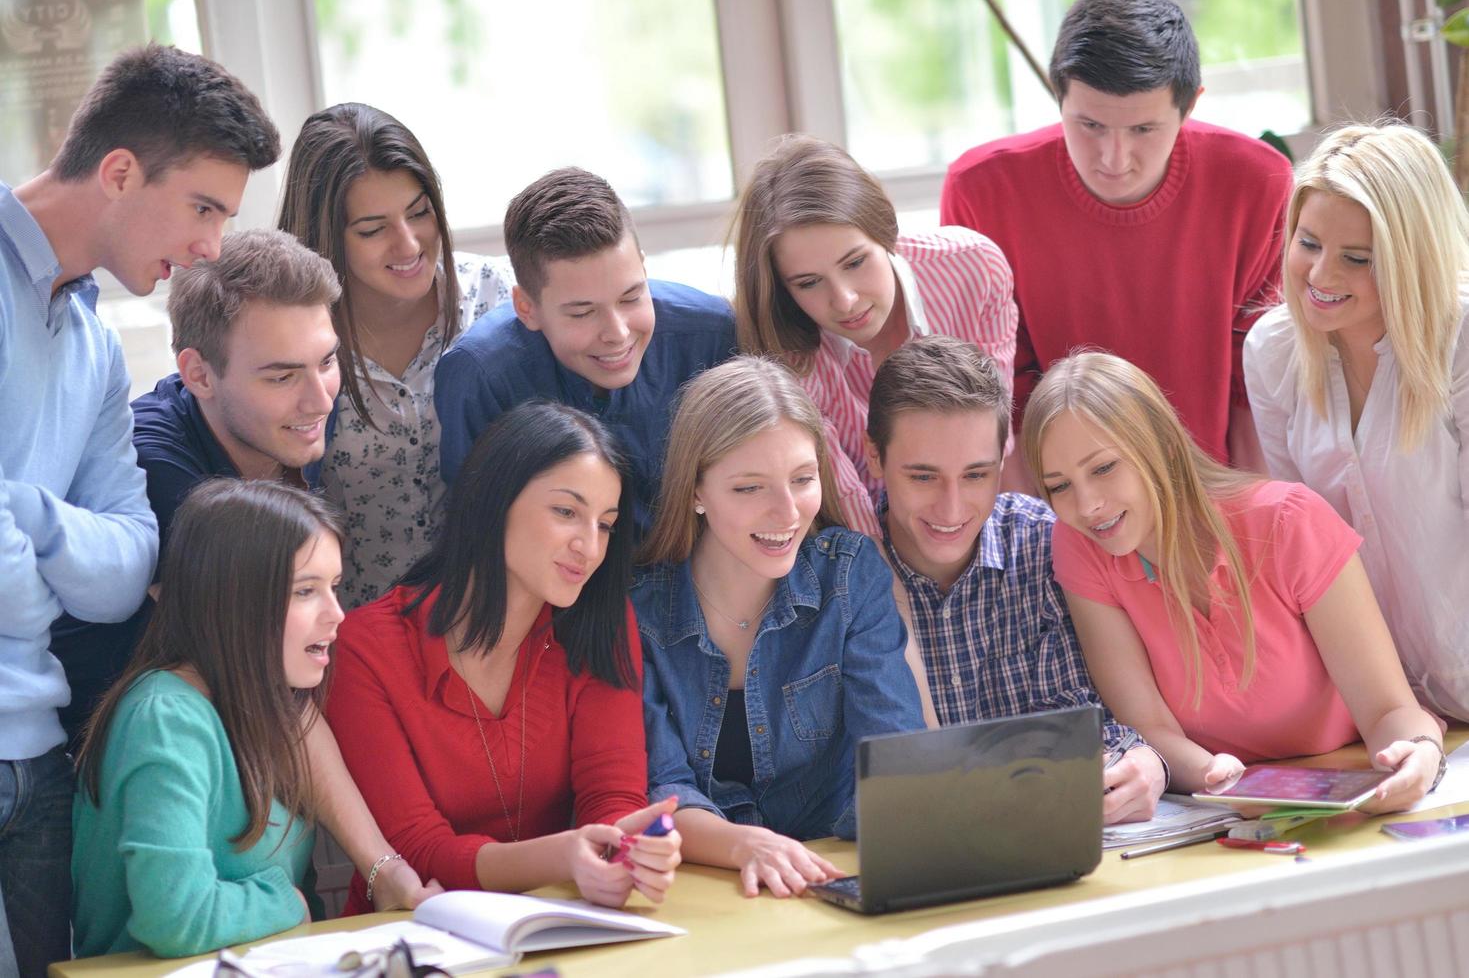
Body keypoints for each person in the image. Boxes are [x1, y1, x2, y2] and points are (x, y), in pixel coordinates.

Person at [1, 44, 276, 975]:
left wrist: (28, 518)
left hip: (36, 761)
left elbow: (124, 576)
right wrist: (44, 587)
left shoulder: (92, 343)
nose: (211, 245)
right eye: (203, 207)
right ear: (119, 172)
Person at [1024, 352, 1447, 814]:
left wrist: (1419, 754)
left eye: (1104, 468)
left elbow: (1388, 711)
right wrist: (1216, 774)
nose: (1087, 506)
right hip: (1221, 807)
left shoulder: (1289, 522)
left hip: (1352, 781)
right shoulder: (1080, 546)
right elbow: (1149, 727)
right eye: (1059, 486)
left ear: (1162, 445)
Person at [326, 402, 682, 913]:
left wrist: (626, 848)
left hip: (560, 921)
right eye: (566, 512)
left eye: (605, 524)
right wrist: (561, 857)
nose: (590, 546)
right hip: (412, 936)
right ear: (496, 501)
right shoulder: (365, 648)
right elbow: (417, 848)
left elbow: (612, 792)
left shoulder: (600, 619)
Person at [72, 480, 435, 958]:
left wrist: (387, 872)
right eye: (306, 591)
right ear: (235, 600)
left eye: (335, 587)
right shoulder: (165, 717)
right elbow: (176, 919)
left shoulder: (261, 701)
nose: (338, 614)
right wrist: (286, 900)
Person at [941, 0, 1291, 475]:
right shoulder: (981, 190)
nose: (1114, 158)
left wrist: (1252, 528)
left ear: (1190, 105)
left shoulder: (1256, 182)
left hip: (1211, 486)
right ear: (1057, 95)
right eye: (1090, 125)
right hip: (1058, 493)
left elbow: (1252, 379)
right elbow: (998, 391)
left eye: (1144, 128)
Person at [633, 356, 925, 898]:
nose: (788, 512)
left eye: (802, 479)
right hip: (705, 888)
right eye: (750, 488)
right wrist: (746, 844)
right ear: (695, 491)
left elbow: (892, 751)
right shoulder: (641, 610)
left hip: (836, 872)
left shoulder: (849, 574)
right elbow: (660, 788)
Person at [52, 228, 343, 746]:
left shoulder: (282, 430)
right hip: (106, 765)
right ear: (199, 375)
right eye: (282, 377)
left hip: (222, 740)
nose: (319, 400)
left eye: (326, 362)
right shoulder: (152, 470)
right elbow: (272, 683)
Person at [864, 336, 1164, 824]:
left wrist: (1142, 766)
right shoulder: (845, 579)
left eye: (977, 475)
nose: (952, 508)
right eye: (923, 477)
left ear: (1004, 458)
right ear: (874, 457)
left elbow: (1090, 725)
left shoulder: (1046, 547)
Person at [1245, 123, 1469, 723]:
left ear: (1409, 257)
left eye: (1356, 259)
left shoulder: (1461, 342)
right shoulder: (1272, 351)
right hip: (1383, 703)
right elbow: (1301, 541)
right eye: (1308, 242)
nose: (1320, 276)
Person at [278, 103, 516, 608]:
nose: (408, 244)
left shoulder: (496, 296)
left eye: (419, 213)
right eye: (372, 229)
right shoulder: (290, 339)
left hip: (499, 625)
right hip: (357, 643)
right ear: (327, 239)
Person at [732, 134, 1016, 535]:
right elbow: (847, 500)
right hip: (862, 546)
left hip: (966, 523)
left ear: (883, 230)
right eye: (809, 283)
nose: (845, 301)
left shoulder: (975, 269)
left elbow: (994, 439)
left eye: (856, 262)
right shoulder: (786, 353)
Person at [434, 167, 736, 534]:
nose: (617, 332)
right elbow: (480, 539)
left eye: (632, 297)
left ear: (643, 264)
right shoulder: (479, 376)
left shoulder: (714, 333)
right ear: (526, 308)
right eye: (583, 312)